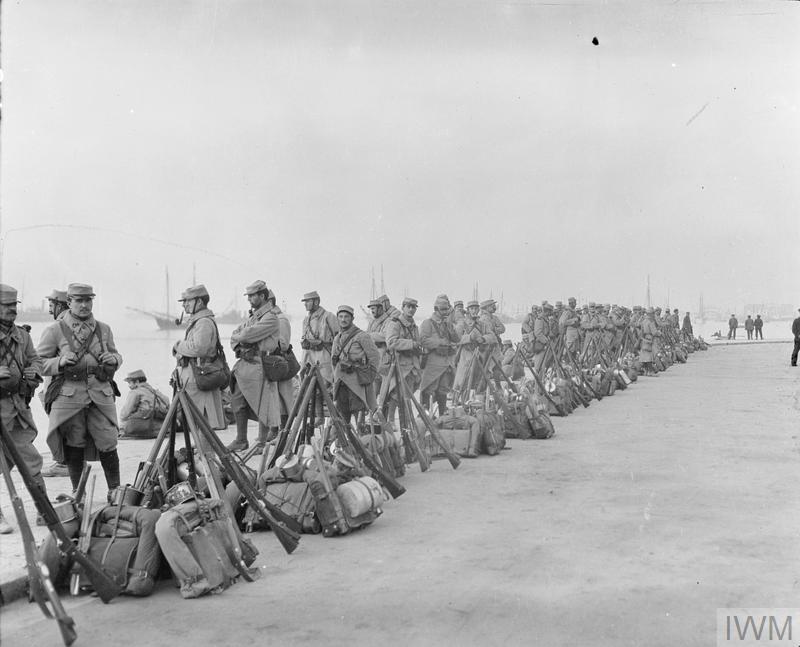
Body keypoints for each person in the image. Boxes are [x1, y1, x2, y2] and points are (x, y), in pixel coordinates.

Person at [37, 283, 123, 499]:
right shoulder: (55, 330)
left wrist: (114, 359)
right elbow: (38, 363)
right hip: (70, 396)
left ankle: (115, 491)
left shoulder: (104, 329)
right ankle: (79, 493)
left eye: (88, 300)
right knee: (73, 441)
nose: (84, 305)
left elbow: (116, 355)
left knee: (108, 440)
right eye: (79, 300)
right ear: (69, 302)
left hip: (100, 394)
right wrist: (59, 361)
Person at [0, 284, 48, 535]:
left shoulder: (22, 335)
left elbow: (36, 359)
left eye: (13, 305)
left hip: (18, 408)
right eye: (6, 305)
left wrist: (34, 371)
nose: (12, 310)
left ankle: (44, 510)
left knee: (31, 459)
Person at [229, 281, 282, 452]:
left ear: (263, 296)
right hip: (244, 364)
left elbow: (246, 334)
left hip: (260, 365)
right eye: (249, 296)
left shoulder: (271, 318)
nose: (249, 299)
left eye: (252, 296)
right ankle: (241, 439)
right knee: (237, 401)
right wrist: (239, 342)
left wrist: (241, 338)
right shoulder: (254, 318)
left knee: (262, 403)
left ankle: (261, 441)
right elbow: (234, 335)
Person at [171, 284, 227, 433]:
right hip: (198, 374)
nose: (184, 304)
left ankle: (204, 448)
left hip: (199, 375)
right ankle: (202, 447)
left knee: (202, 419)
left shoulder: (203, 322)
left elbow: (198, 348)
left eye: (187, 301)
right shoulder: (199, 321)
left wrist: (178, 345)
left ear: (200, 301)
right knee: (199, 421)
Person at [330, 305, 380, 424]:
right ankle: (346, 434)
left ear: (352, 318)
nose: (343, 319)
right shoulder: (337, 338)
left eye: (346, 317)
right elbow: (333, 360)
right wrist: (336, 377)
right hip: (341, 381)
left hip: (357, 381)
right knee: (343, 412)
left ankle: (360, 433)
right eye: (341, 316)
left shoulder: (362, 336)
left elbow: (375, 357)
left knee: (359, 410)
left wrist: (369, 376)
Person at [40, 289, 70, 479]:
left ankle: (63, 463)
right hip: (68, 386)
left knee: (59, 424)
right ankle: (70, 461)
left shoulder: (57, 327)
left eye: (52, 305)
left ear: (60, 305)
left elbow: (39, 360)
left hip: (58, 386)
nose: (50, 309)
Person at [266, 288, 298, 449]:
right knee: (274, 398)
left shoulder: (281, 319)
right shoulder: (270, 319)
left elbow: (283, 344)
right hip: (272, 364)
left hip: (281, 363)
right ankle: (276, 430)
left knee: (284, 398)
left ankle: (284, 432)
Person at [418, 295, 460, 415]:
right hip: (433, 363)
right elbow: (422, 340)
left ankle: (442, 416)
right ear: (436, 309)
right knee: (428, 389)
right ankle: (425, 416)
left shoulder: (447, 324)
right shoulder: (427, 323)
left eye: (447, 309)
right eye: (443, 309)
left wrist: (451, 329)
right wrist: (439, 342)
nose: (445, 312)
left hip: (447, 363)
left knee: (443, 390)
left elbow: (457, 339)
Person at [385, 297, 422, 420]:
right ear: (403, 308)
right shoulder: (395, 324)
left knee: (407, 395)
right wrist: (411, 344)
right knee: (395, 394)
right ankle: (391, 420)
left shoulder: (414, 326)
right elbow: (391, 342)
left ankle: (405, 421)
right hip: (398, 364)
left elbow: (418, 343)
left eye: (413, 307)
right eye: (408, 307)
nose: (411, 310)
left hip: (412, 366)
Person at [118, 369, 169, 439]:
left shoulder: (135, 392)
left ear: (137, 382)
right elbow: (167, 403)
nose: (129, 386)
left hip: (143, 428)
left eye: (129, 383)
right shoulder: (156, 392)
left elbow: (124, 414)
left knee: (122, 424)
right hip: (160, 429)